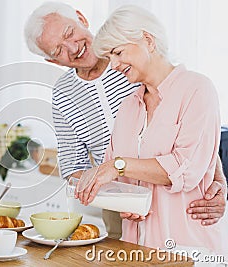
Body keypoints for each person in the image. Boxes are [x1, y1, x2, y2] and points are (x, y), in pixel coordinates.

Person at [24, 1, 227, 240]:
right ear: (53, 62)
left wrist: (217, 179)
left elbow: (191, 128)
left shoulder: (135, 59)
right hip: (120, 205)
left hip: (178, 196)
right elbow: (73, 165)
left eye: (69, 33)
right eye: (58, 50)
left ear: (81, 18)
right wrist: (119, 193)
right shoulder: (64, 95)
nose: (72, 47)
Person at [77, 5, 227, 254]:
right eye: (109, 58)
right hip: (135, 248)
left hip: (185, 249)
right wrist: (124, 200)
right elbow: (115, 173)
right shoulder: (128, 106)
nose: (113, 65)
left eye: (117, 53)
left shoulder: (197, 89)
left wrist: (118, 166)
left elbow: (185, 168)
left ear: (147, 40)